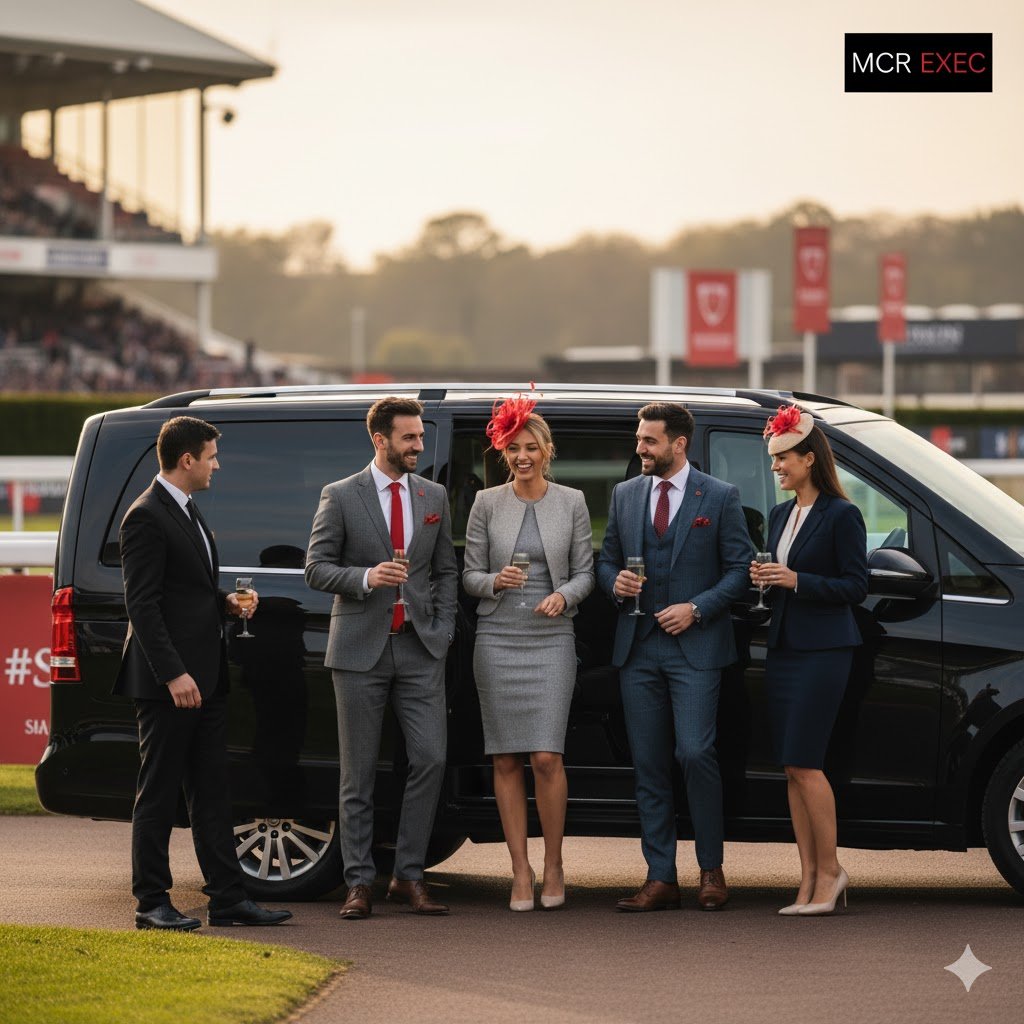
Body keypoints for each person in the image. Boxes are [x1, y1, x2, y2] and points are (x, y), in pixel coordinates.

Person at [114, 415, 292, 931]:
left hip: (207, 680)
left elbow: (185, 595)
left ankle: (228, 900)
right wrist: (173, 675)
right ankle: (151, 902)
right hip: (171, 684)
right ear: (187, 459)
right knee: (159, 792)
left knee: (213, 792)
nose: (218, 464)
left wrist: (227, 606)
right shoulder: (145, 516)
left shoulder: (187, 511)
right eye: (212, 456)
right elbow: (142, 607)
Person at [305, 396, 458, 919]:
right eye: (410, 437)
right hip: (358, 650)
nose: (419, 445)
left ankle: (409, 876)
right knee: (359, 773)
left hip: (420, 648)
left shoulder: (433, 493)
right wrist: (368, 578)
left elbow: (445, 572)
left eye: (419, 436)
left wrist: (442, 626)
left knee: (431, 758)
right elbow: (316, 568)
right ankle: (358, 883)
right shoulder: (340, 495)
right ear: (381, 440)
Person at [597, 402, 753, 912]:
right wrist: (614, 584)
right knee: (649, 765)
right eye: (639, 439)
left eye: (649, 441)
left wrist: (697, 608)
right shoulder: (624, 494)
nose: (639, 448)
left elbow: (739, 568)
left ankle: (711, 870)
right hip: (638, 648)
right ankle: (660, 877)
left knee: (695, 753)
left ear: (679, 444)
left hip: (696, 648)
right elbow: (608, 560)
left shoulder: (721, 497)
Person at [463, 395, 594, 911]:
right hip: (497, 639)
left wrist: (565, 595)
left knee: (545, 756)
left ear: (547, 451)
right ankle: (520, 870)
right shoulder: (485, 504)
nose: (523, 456)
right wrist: (494, 581)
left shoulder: (573, 501)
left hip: (552, 639)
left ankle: (555, 863)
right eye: (513, 448)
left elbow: (585, 571)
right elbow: (470, 575)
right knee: (505, 758)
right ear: (503, 452)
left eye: (531, 447)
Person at [750, 405, 868, 916]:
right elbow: (780, 574)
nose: (776, 467)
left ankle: (831, 872)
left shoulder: (844, 515)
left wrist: (798, 581)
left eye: (782, 459)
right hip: (785, 649)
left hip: (825, 651)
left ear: (808, 459)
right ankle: (807, 879)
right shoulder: (780, 515)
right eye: (774, 459)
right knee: (791, 769)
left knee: (806, 763)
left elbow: (855, 586)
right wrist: (767, 581)